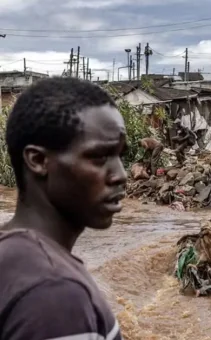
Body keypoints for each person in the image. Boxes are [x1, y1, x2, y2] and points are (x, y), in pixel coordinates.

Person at [0, 77, 125, 340]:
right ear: (38, 160)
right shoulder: (54, 292)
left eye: (120, 155)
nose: (120, 175)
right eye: (100, 157)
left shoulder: (11, 254)